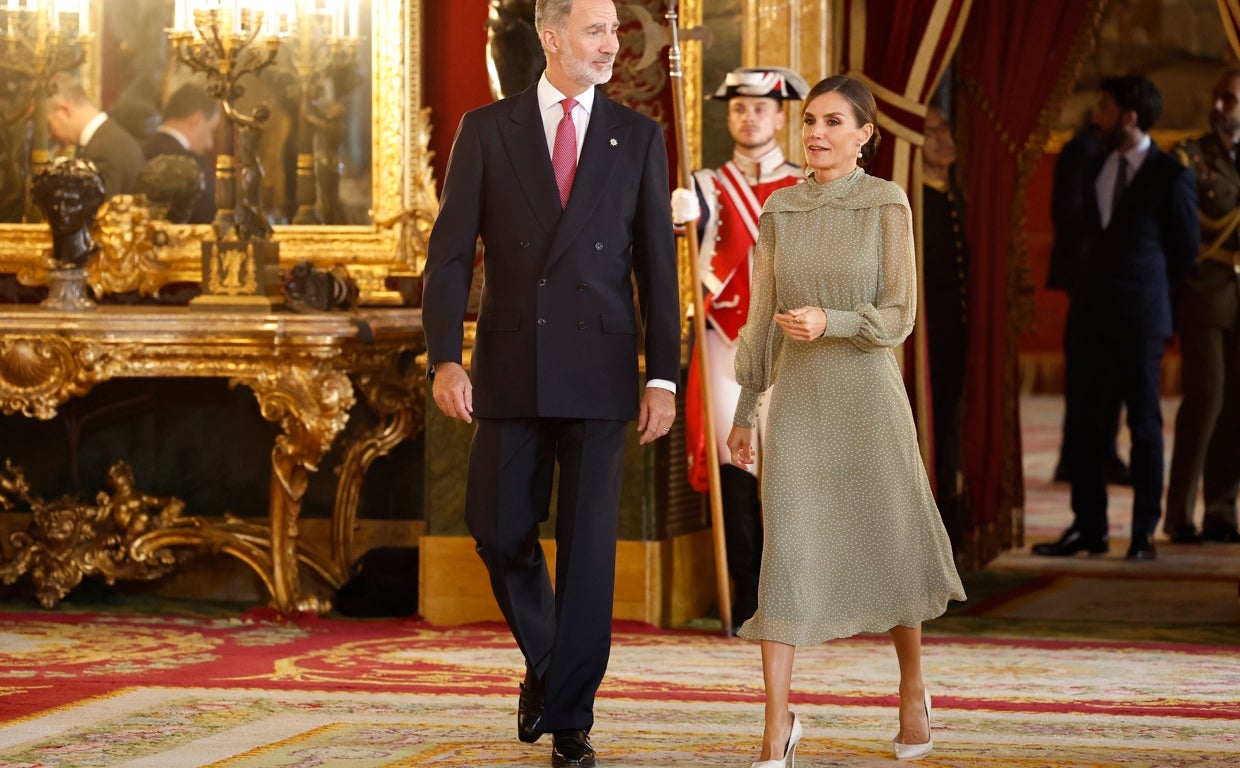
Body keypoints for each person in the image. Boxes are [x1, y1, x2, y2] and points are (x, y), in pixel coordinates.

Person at [420, 1, 680, 765]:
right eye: (596, 31)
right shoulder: (486, 129)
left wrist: (661, 378)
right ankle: (549, 664)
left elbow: (657, 275)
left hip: (602, 373)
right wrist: (445, 356)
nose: (612, 46)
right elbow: (450, 258)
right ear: (552, 36)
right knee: (497, 529)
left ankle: (570, 718)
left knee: (591, 550)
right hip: (508, 365)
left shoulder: (637, 137)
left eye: (615, 32)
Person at [725, 75, 965, 767]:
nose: (817, 134)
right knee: (786, 556)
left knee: (889, 547)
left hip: (869, 401)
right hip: (798, 409)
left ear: (865, 135)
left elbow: (899, 314)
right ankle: (776, 726)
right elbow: (761, 322)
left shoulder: (886, 204)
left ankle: (913, 687)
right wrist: (746, 409)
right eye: (809, 122)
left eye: (834, 122)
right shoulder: (780, 211)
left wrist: (835, 322)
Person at [1033, 74, 1199, 562]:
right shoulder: (1091, 162)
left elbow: (1184, 249)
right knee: (1084, 422)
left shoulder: (1171, 174)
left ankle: (1144, 533)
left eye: (1104, 108)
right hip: (1088, 314)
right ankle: (1089, 528)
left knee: (1145, 425)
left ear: (1130, 116)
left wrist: (1148, 291)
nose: (1095, 116)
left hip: (1142, 317)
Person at [672, 66, 809, 634]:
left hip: (792, 347)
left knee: (792, 469)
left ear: (780, 117)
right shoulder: (703, 186)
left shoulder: (808, 186)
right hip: (725, 342)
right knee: (736, 467)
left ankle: (797, 598)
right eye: (738, 109)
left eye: (760, 108)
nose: (748, 118)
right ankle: (747, 597)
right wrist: (675, 221)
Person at [1164, 70, 1240, 545]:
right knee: (1206, 398)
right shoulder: (1190, 157)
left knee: (1237, 406)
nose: (1218, 107)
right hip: (1205, 292)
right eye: (1216, 98)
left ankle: (1220, 512)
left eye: (1229, 99)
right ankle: (1178, 514)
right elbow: (1189, 226)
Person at [1046, 118, 1131, 487]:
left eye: (1106, 107)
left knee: (1111, 373)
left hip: (1114, 280)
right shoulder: (1082, 151)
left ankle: (1101, 452)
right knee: (1088, 372)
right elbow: (1069, 214)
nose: (1100, 113)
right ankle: (1079, 457)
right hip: (1087, 277)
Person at [920, 104, 968, 547]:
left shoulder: (955, 194)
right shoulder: (914, 201)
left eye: (946, 129)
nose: (943, 139)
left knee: (951, 421)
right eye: (931, 131)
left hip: (955, 333)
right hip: (926, 340)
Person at [46, 74, 145, 199]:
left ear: (64, 110)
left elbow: (98, 213)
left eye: (48, 125)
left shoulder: (105, 151)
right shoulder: (107, 140)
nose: (49, 135)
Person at [141, 83, 220, 225]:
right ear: (196, 120)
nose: (210, 144)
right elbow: (211, 224)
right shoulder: (197, 166)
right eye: (211, 130)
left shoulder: (136, 154)